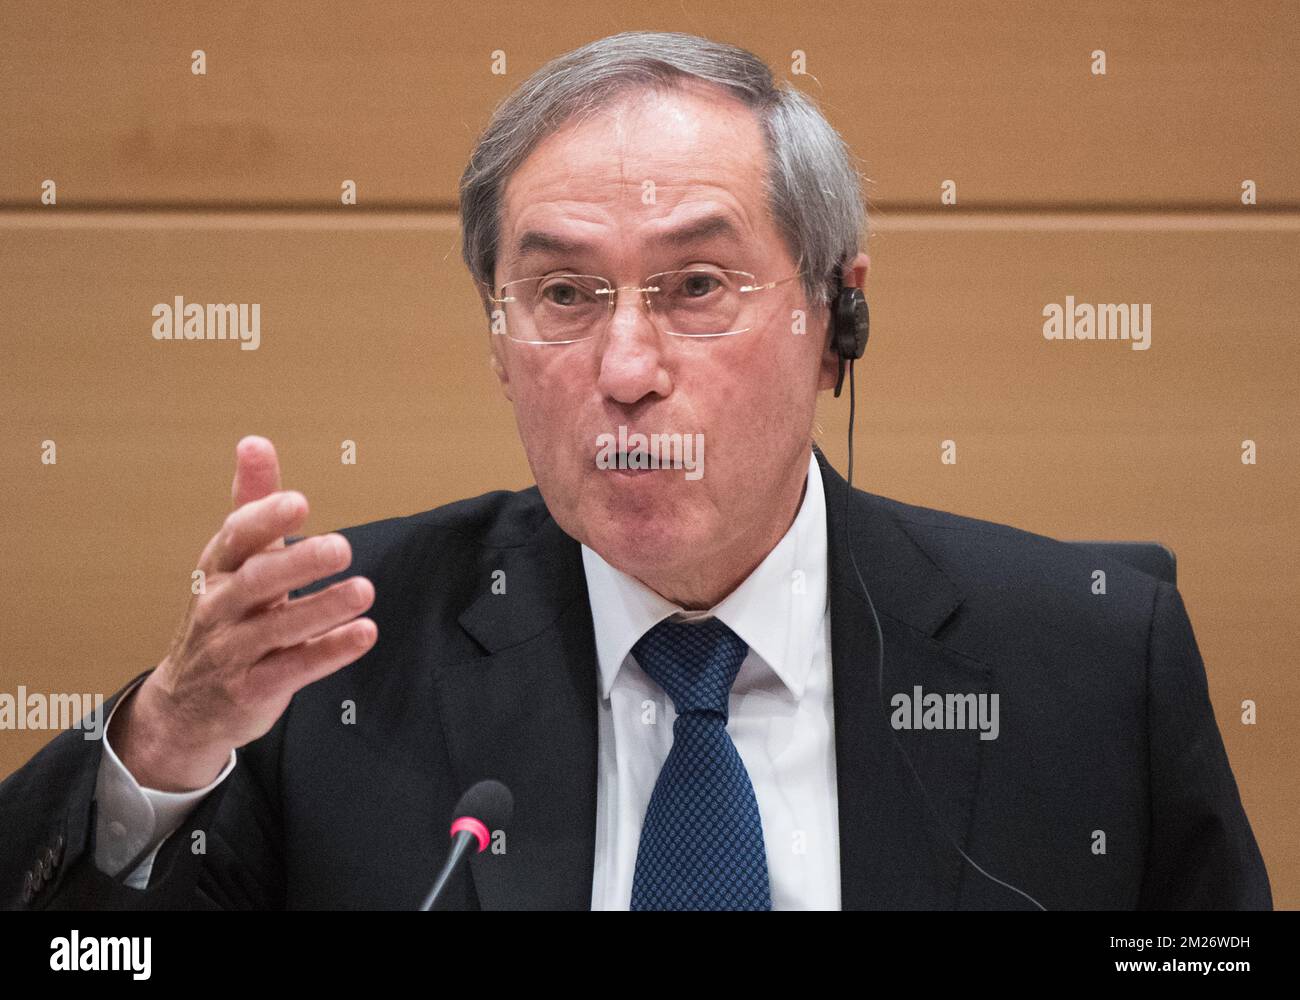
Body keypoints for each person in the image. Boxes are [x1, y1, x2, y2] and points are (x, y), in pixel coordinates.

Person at [2, 30, 1270, 910]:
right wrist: (167, 738)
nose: (624, 366)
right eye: (560, 293)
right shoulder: (338, 656)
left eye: (696, 286)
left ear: (837, 319)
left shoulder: (1091, 660)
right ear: (497, 345)